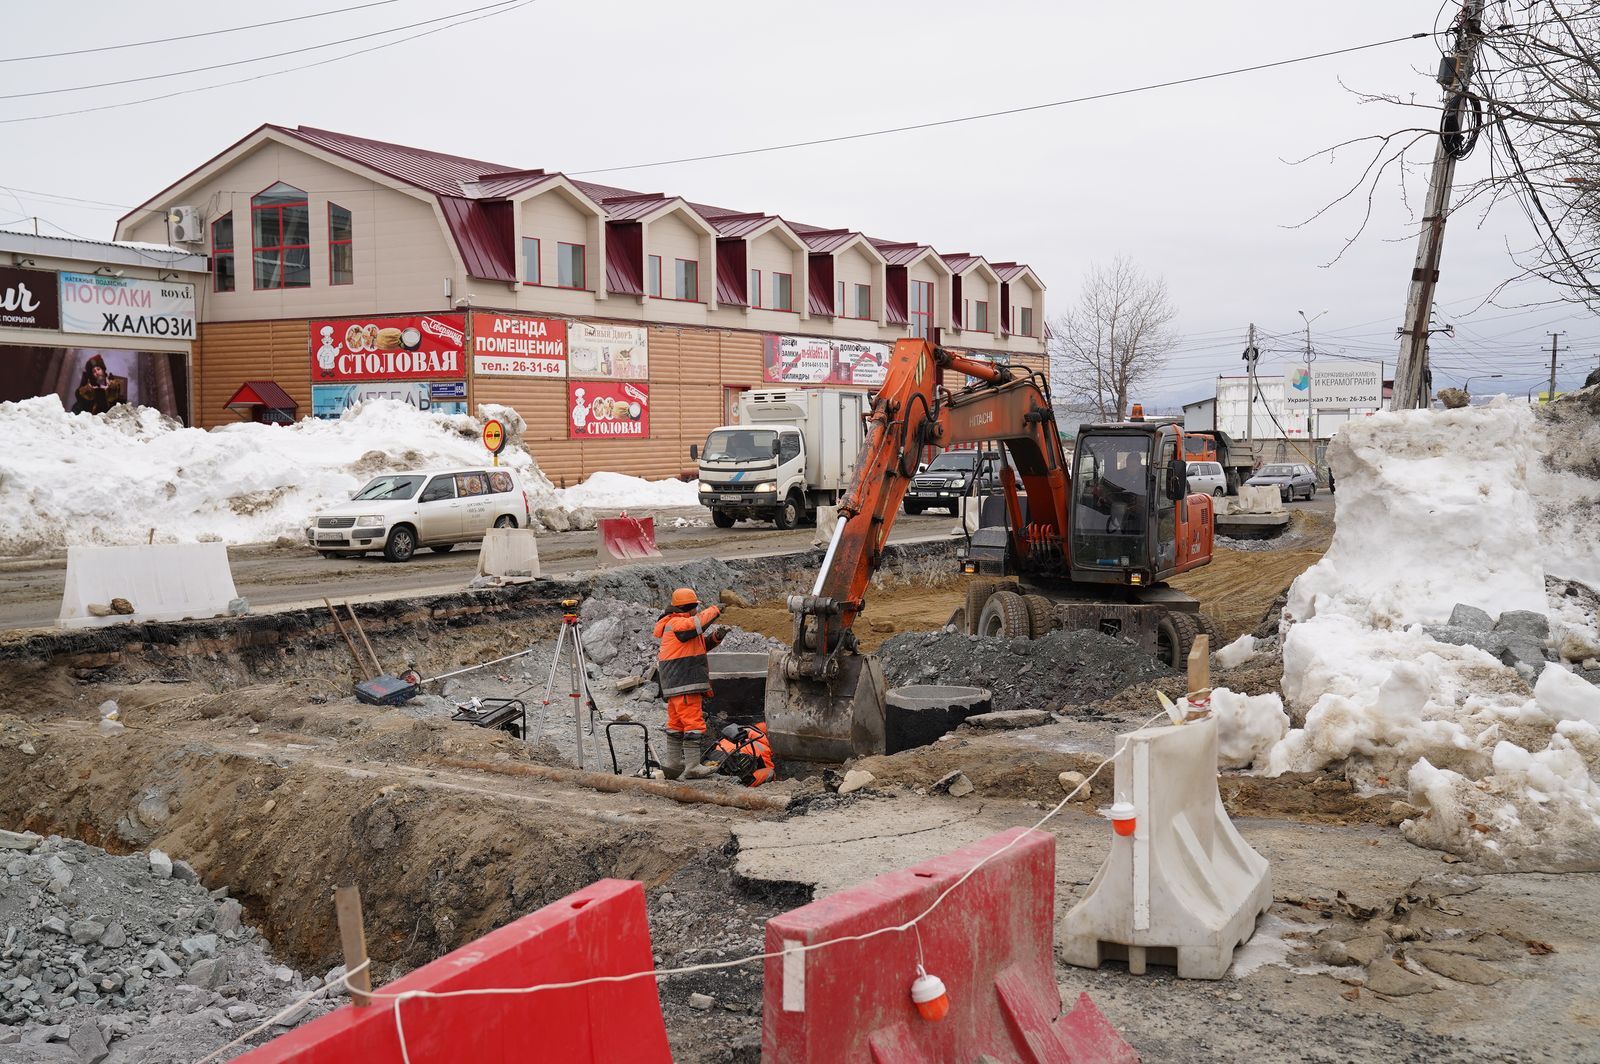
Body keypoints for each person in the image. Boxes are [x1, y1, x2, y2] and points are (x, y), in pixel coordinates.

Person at [652, 588, 725, 779]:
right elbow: (698, 623)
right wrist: (716, 610)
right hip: (684, 682)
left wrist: (716, 638)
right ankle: (692, 766)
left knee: (676, 724)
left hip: (674, 685)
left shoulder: (678, 626)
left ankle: (674, 764)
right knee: (693, 723)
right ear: (689, 607)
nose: (696, 611)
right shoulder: (678, 623)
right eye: (695, 607)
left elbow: (697, 646)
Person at [689, 722, 774, 786]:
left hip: (711, 766)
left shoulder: (735, 735)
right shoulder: (763, 747)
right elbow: (769, 767)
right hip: (731, 774)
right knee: (771, 772)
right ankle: (743, 785)